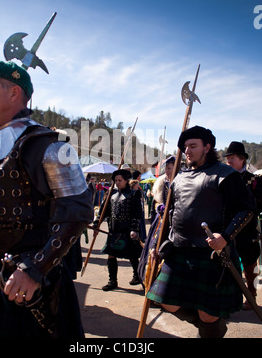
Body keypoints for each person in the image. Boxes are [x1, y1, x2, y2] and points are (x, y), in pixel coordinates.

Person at [0, 60, 94, 339]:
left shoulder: (52, 144)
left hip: (35, 285)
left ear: (14, 93)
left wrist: (35, 270)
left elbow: (79, 211)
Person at [146, 126, 255, 338]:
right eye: (185, 147)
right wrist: (157, 245)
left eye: (193, 145)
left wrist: (224, 237)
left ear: (207, 147)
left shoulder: (226, 175)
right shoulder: (179, 178)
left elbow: (247, 209)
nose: (187, 151)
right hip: (178, 250)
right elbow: (171, 214)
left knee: (208, 314)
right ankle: (211, 331)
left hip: (211, 254)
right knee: (164, 300)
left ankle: (209, 330)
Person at [225, 141, 262, 309]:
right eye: (228, 158)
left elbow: (258, 205)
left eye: (232, 158)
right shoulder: (224, 179)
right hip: (228, 230)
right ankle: (232, 297)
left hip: (247, 230)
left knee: (250, 264)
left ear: (242, 160)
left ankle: (252, 295)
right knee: (229, 265)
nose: (229, 161)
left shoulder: (254, 181)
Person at [94, 169, 143, 291]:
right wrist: (97, 222)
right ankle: (112, 281)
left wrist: (134, 229)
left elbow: (137, 213)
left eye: (120, 180)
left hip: (128, 231)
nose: (117, 182)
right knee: (111, 255)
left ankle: (137, 276)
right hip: (113, 231)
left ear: (126, 181)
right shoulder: (112, 194)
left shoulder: (134, 194)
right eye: (115, 180)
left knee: (132, 255)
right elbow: (104, 211)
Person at [138, 156, 175, 289]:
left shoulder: (181, 182)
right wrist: (159, 207)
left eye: (170, 168)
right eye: (167, 169)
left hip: (175, 223)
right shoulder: (163, 182)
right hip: (162, 221)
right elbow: (157, 202)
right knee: (154, 250)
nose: (168, 171)